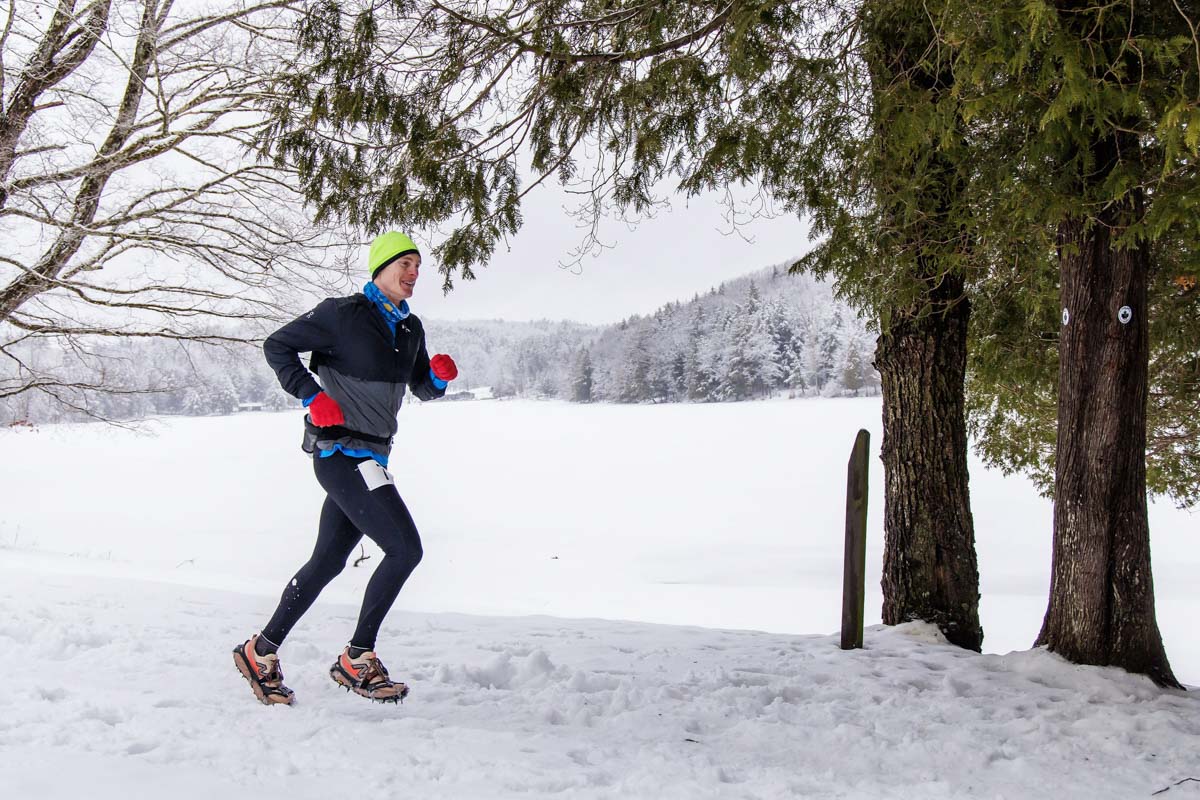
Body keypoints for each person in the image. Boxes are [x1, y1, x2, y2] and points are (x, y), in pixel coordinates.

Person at [233, 232, 457, 705]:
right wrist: (313, 396)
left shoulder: (410, 328)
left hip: (373, 457)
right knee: (404, 549)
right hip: (339, 454)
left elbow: (419, 388)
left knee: (329, 561)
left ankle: (260, 651)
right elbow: (278, 346)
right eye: (406, 263)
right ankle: (357, 658)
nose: (415, 272)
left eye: (419, 265)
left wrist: (435, 377)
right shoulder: (342, 314)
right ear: (381, 266)